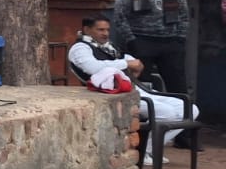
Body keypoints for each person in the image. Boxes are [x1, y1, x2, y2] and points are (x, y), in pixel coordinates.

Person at [68, 13, 186, 154]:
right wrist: (126, 63)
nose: (105, 33)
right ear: (87, 30)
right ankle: (143, 150)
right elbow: (92, 68)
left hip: (132, 88)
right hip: (109, 93)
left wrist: (134, 64)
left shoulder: (108, 46)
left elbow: (129, 59)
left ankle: (148, 148)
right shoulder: (80, 48)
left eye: (107, 30)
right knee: (168, 113)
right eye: (100, 30)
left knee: (190, 109)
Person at [112, 0, 190, 93]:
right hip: (142, 41)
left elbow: (183, 12)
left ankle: (183, 114)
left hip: (171, 41)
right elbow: (119, 17)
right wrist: (132, 41)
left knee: (178, 85)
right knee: (143, 86)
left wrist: (180, 38)